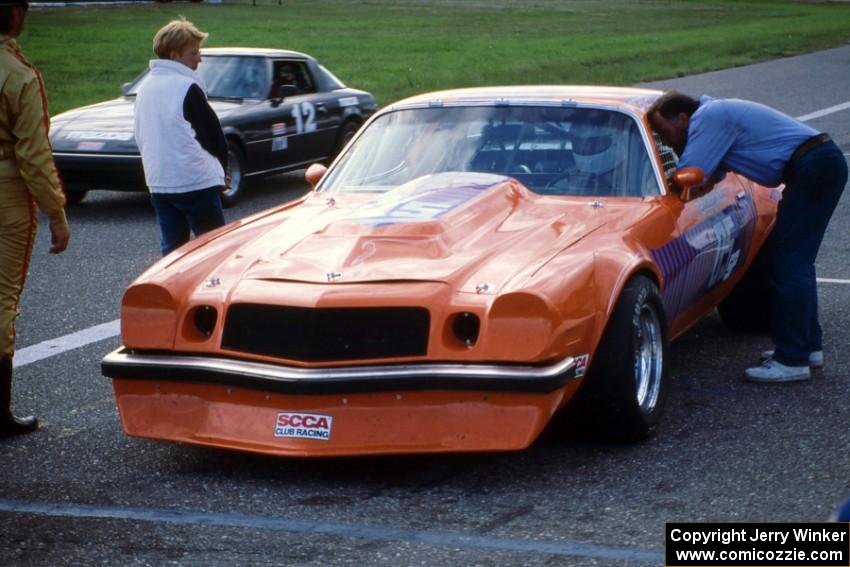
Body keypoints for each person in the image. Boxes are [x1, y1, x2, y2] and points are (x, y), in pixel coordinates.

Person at [648, 91, 847, 383]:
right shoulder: (716, 115)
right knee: (796, 263)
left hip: (812, 167)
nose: (664, 141)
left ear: (682, 118)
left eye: (663, 132)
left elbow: (692, 172)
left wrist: (662, 178)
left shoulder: (707, 117)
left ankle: (792, 360)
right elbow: (713, 175)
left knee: (789, 265)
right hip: (817, 163)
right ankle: (806, 347)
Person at [0, 0, 70, 437]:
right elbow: (33, 154)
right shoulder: (18, 73)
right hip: (6, 192)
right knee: (3, 299)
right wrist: (56, 213)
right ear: (14, 17)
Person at [134, 17, 228, 256]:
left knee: (173, 252)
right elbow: (212, 136)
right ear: (175, 55)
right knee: (213, 249)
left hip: (159, 181)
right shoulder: (186, 87)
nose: (199, 58)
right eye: (194, 53)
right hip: (195, 180)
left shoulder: (144, 88)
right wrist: (222, 170)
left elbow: (140, 134)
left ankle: (171, 292)